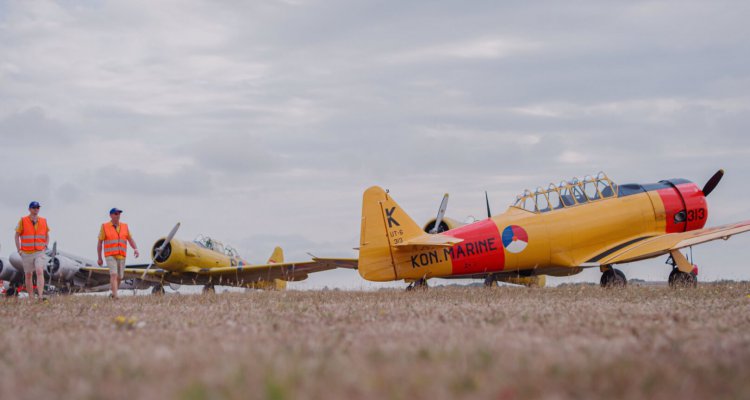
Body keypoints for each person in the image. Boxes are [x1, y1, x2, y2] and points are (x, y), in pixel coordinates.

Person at [97, 208, 139, 299]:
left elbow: (130, 239)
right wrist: (99, 258)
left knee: (120, 277)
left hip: (121, 255)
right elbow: (100, 242)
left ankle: (113, 294)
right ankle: (116, 296)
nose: (118, 215)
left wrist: (135, 249)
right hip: (110, 255)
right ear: (111, 215)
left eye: (119, 213)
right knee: (114, 274)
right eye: (116, 213)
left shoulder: (125, 226)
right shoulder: (104, 226)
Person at [14, 201, 49, 300]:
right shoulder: (23, 220)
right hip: (26, 252)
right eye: (34, 207)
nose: (36, 209)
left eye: (38, 207)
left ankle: (41, 296)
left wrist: (46, 245)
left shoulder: (43, 221)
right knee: (28, 275)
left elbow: (47, 235)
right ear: (29, 209)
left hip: (39, 251)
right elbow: (16, 235)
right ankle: (31, 297)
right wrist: (19, 250)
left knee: (39, 271)